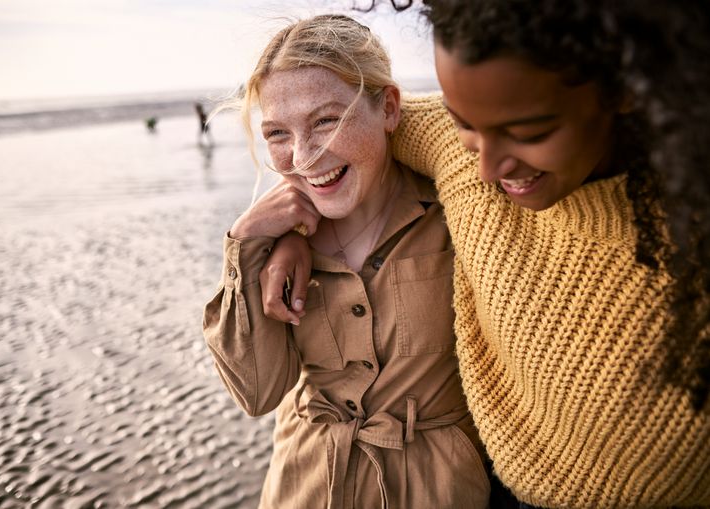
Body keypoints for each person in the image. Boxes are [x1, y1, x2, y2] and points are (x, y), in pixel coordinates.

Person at [258, 1, 710, 507]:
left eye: (530, 133)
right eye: (464, 124)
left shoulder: (692, 234)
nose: (489, 169)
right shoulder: (456, 150)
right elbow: (341, 140)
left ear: (626, 89)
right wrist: (296, 228)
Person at [202, 14, 490, 509]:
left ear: (390, 109)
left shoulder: (458, 210)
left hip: (437, 490)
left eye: (326, 120)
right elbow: (257, 393)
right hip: (305, 487)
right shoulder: (268, 241)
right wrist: (246, 242)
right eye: (276, 133)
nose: (303, 155)